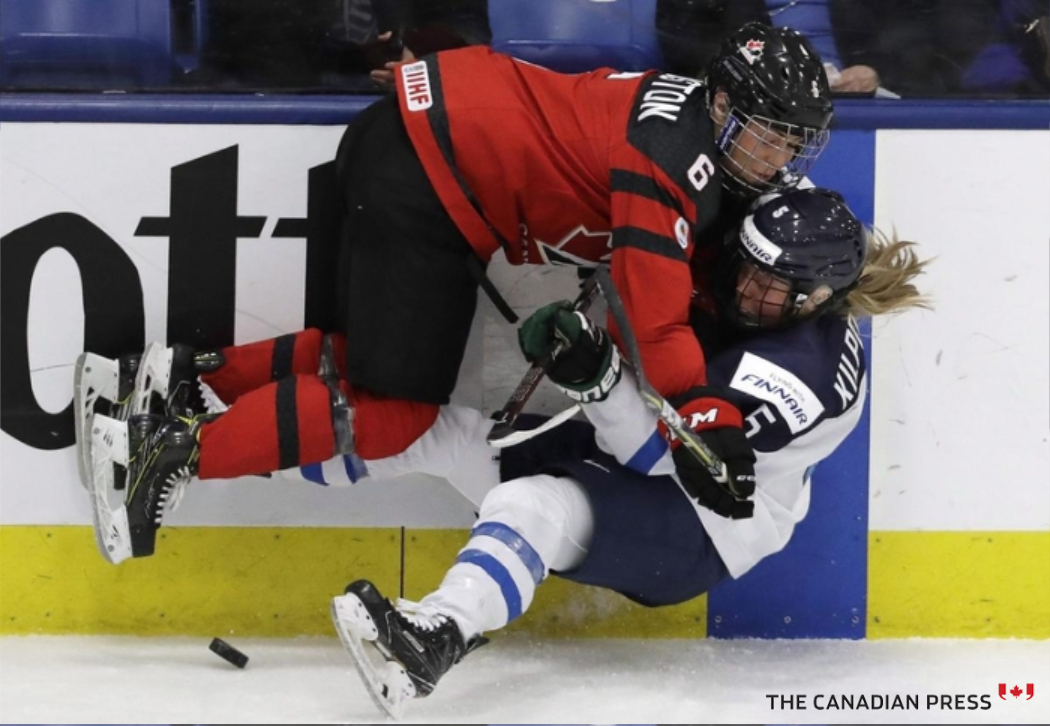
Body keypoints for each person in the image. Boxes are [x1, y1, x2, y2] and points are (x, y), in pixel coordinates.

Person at [75, 24, 834, 563]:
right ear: (725, 105)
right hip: (425, 178)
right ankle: (163, 451)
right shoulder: (674, 160)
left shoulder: (687, 119)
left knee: (369, 362)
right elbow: (658, 321)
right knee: (396, 410)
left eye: (792, 144)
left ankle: (183, 374)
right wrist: (710, 419)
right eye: (767, 135)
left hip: (418, 149)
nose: (778, 159)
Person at [326, 188, 931, 717]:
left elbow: (658, 457)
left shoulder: (796, 377)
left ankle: (433, 640)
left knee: (530, 504)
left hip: (703, 523)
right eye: (748, 268)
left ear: (815, 298)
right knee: (449, 436)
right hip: (646, 460)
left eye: (769, 288)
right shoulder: (791, 258)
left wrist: (598, 379)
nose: (745, 289)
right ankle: (259, 448)